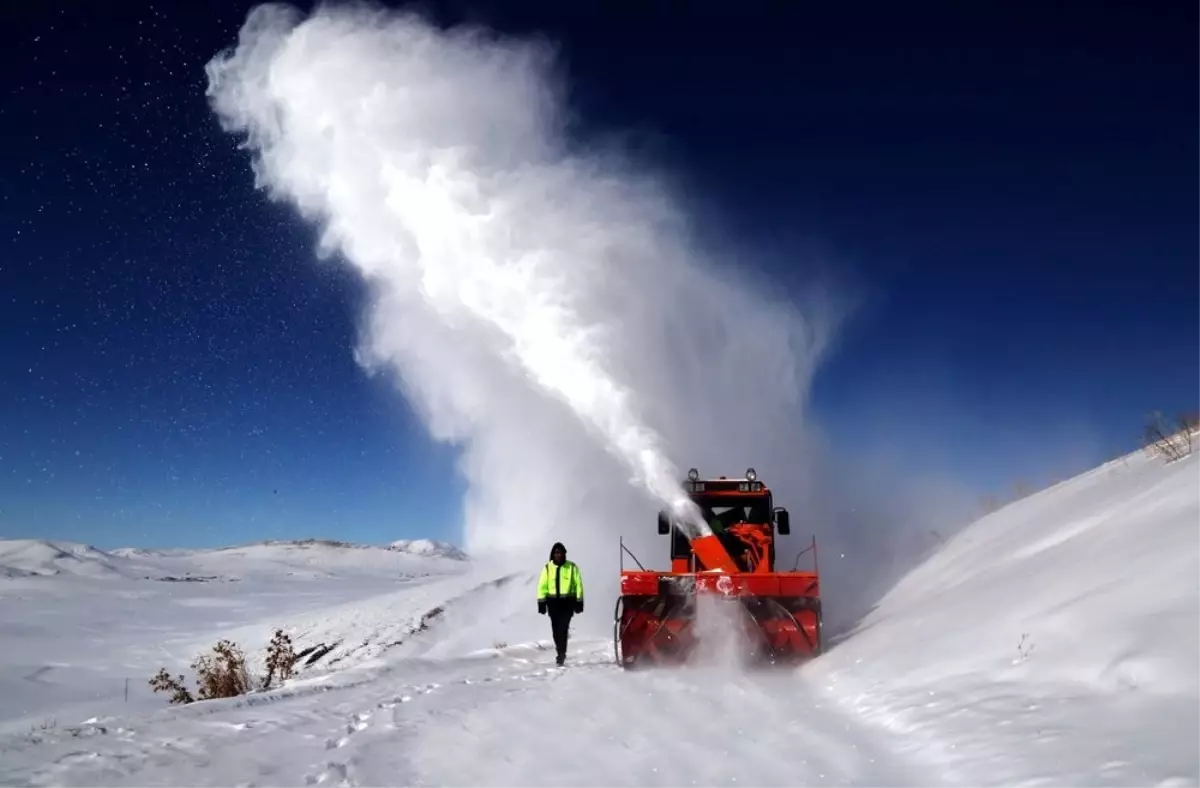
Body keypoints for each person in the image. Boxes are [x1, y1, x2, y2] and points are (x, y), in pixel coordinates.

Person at [537, 541, 583, 666]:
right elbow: (542, 586)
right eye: (556, 552)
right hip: (553, 604)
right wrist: (541, 603)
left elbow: (578, 585)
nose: (559, 555)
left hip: (567, 603)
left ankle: (561, 654)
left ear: (564, 554)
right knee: (555, 630)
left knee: (563, 629)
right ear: (553, 554)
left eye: (561, 552)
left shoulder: (572, 567)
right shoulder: (547, 568)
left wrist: (579, 601)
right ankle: (560, 650)